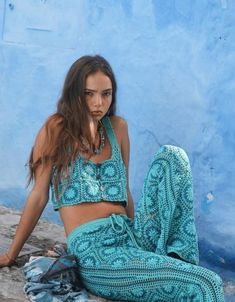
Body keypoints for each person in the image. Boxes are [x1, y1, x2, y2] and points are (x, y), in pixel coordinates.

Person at [0, 55, 225, 301]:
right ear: (74, 93)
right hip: (97, 252)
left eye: (106, 94)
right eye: (89, 94)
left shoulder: (117, 128)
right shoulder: (56, 128)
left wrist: (139, 244)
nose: (98, 102)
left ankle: (175, 262)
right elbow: (38, 195)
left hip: (132, 235)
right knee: (207, 283)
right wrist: (12, 254)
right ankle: (177, 273)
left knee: (172, 156)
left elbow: (124, 192)